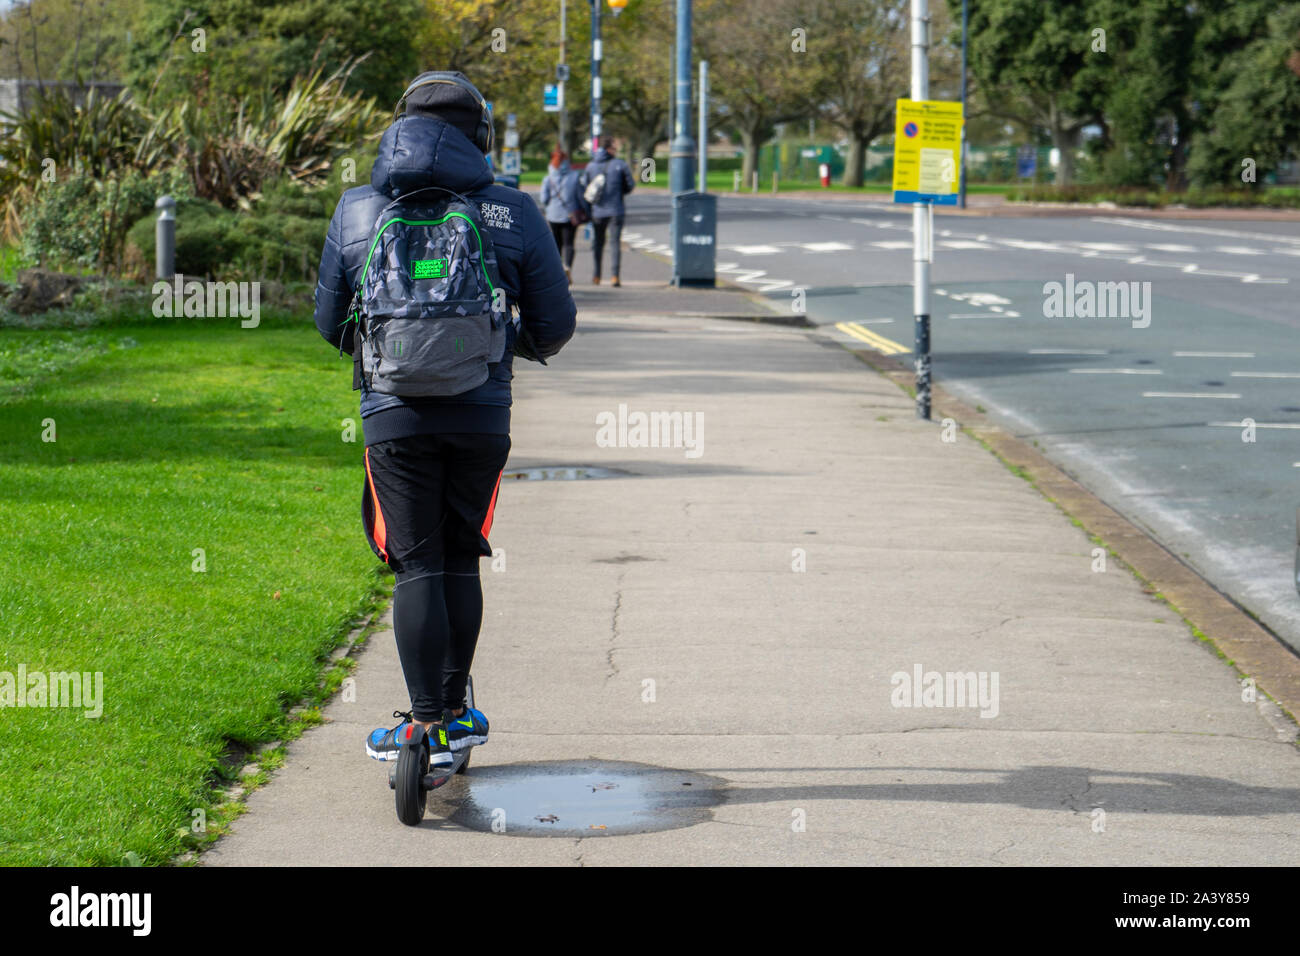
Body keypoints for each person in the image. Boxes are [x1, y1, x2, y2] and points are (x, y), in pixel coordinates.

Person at [313, 71, 576, 768]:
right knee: (462, 556)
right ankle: (455, 715)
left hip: (392, 415)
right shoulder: (512, 211)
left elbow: (327, 322)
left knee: (417, 563)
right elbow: (555, 327)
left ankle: (422, 722)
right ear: (481, 136)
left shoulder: (357, 208)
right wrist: (496, 339)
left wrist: (388, 347)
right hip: (481, 413)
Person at [579, 137, 635, 286]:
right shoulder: (620, 164)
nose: (616, 151)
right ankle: (615, 276)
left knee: (598, 243)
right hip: (616, 210)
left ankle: (596, 276)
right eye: (615, 148)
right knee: (615, 243)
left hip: (597, 211)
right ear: (610, 149)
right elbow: (630, 186)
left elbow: (584, 185)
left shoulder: (591, 166)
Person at [539, 148, 585, 284]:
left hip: (553, 215)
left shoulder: (548, 178)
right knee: (569, 243)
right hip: (570, 215)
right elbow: (580, 197)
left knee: (556, 244)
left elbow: (543, 199)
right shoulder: (575, 176)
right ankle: (568, 267)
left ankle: (558, 271)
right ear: (566, 161)